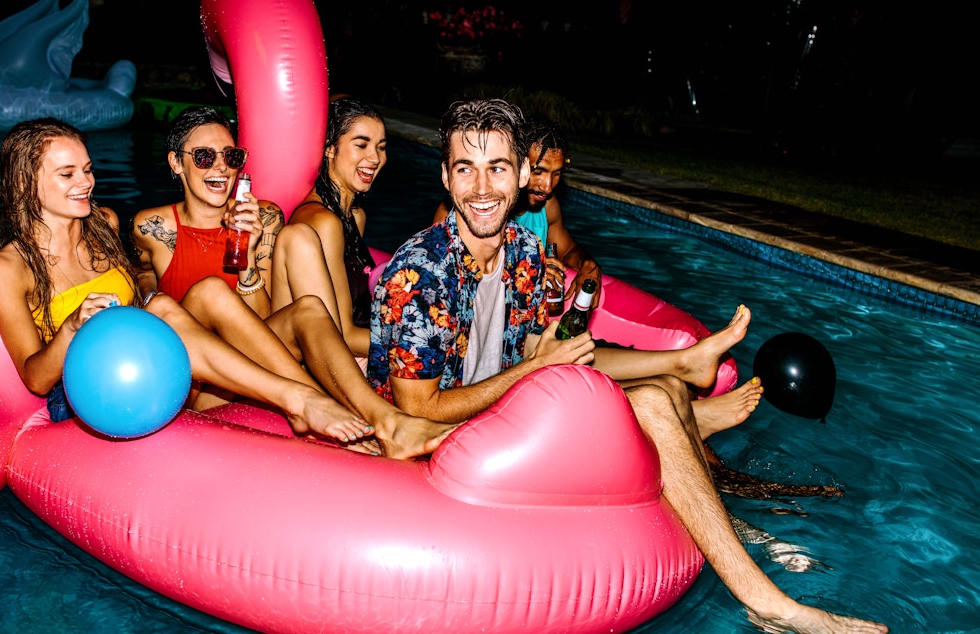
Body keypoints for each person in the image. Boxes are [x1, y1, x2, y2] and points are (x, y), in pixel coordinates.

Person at [368, 98, 888, 634]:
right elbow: (418, 409)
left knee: (661, 394)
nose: (481, 188)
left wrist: (546, 360)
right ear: (445, 177)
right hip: (434, 445)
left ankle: (736, 535)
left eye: (497, 168)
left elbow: (533, 352)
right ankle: (769, 601)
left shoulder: (523, 251)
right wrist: (534, 370)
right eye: (465, 169)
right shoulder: (420, 274)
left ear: (521, 174)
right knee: (650, 406)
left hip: (497, 420)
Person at [0, 117, 376, 450]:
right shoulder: (7, 268)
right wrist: (73, 326)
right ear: (25, 183)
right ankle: (302, 400)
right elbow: (35, 378)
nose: (85, 182)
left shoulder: (104, 224)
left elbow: (142, 292)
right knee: (161, 306)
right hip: (94, 390)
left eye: (87, 169)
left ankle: (329, 405)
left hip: (152, 362)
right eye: (67, 174)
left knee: (210, 293)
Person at [131, 106, 457, 459]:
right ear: (176, 162)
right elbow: (144, 297)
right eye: (204, 157)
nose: (221, 167)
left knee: (309, 309)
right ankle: (315, 404)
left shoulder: (266, 217)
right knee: (209, 291)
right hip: (197, 379)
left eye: (231, 156)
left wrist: (248, 256)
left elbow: (261, 323)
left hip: (251, 364)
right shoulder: (151, 227)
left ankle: (388, 422)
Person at [433, 117, 602, 307]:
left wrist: (587, 265)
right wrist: (530, 273)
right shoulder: (466, 211)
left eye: (557, 173)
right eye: (538, 172)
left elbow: (568, 250)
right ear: (519, 166)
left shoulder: (547, 206)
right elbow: (446, 281)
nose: (548, 187)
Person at [270, 97, 385, 358]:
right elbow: (342, 336)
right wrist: (417, 345)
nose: (375, 158)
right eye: (361, 145)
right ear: (330, 149)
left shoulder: (355, 216)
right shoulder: (323, 222)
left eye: (381, 147)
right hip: (334, 360)